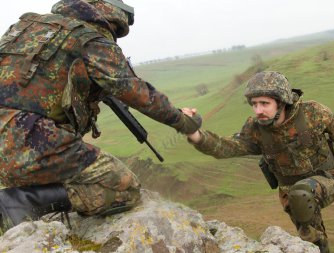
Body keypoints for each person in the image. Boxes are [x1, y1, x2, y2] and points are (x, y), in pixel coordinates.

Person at [0, 0, 201, 234]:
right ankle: (21, 202)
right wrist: (185, 122)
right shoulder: (90, 40)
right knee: (123, 187)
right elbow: (142, 95)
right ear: (109, 18)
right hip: (25, 140)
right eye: (117, 31)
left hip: (13, 148)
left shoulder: (25, 26)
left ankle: (24, 198)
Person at [183, 71, 334, 253]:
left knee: (301, 194)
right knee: (312, 241)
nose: (258, 110)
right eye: (254, 104)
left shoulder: (313, 113)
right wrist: (195, 134)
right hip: (291, 194)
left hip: (328, 177)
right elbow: (227, 146)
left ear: (281, 102)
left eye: (264, 103)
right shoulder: (255, 128)